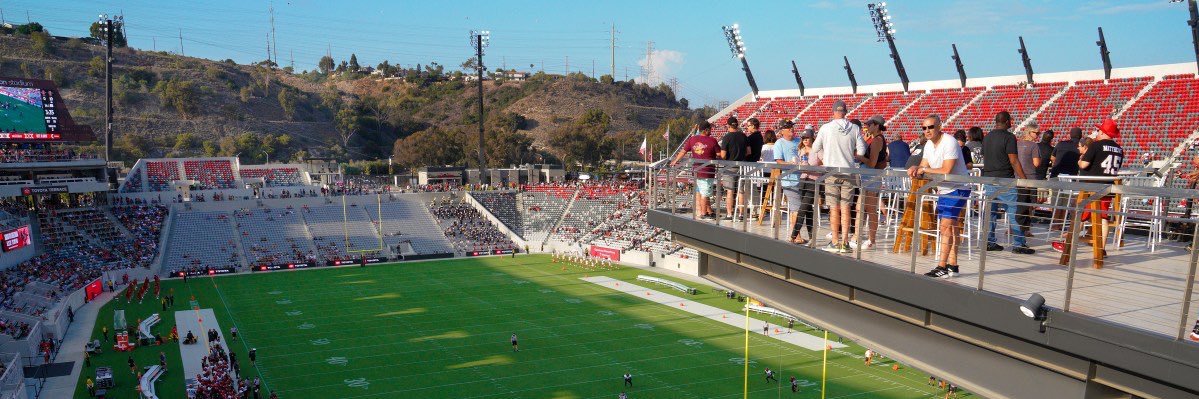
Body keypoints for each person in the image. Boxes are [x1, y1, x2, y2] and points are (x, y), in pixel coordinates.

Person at [909, 115, 971, 278]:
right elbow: (924, 164)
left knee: (945, 227)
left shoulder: (949, 141)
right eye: (924, 128)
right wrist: (916, 167)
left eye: (931, 127)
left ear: (939, 126)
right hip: (945, 189)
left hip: (958, 188)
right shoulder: (929, 144)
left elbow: (946, 170)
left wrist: (924, 170)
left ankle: (942, 266)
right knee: (951, 226)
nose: (927, 131)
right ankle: (953, 264)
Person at [1053, 120, 1124, 252]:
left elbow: (1084, 165)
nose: (1097, 132)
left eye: (1099, 130)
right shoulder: (1119, 149)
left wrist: (1080, 161)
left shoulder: (1096, 146)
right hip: (1108, 186)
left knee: (1080, 215)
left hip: (1091, 187)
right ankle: (1101, 249)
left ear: (1103, 132)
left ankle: (1068, 245)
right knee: (1103, 217)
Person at [811, 100, 868, 253]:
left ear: (833, 112)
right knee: (846, 207)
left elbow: (815, 147)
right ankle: (845, 242)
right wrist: (849, 153)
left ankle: (835, 241)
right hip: (848, 172)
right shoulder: (855, 128)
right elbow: (862, 151)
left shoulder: (826, 128)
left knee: (833, 208)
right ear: (846, 112)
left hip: (831, 172)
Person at [982, 111, 1035, 255]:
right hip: (1005, 180)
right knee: (1013, 212)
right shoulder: (1009, 137)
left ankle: (989, 242)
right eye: (1010, 120)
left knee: (990, 213)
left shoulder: (987, 138)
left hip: (988, 180)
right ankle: (1019, 244)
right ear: (1006, 122)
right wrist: (1023, 179)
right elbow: (1013, 160)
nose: (1012, 122)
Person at [671, 121, 720, 219]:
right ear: (706, 130)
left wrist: (675, 160)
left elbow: (683, 151)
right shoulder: (712, 140)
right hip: (707, 171)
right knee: (705, 193)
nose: (711, 130)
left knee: (702, 191)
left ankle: (709, 212)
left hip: (696, 170)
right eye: (710, 129)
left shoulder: (692, 139)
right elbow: (719, 154)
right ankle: (703, 213)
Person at [854, 116, 889, 249]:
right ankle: (861, 238)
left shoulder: (877, 140)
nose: (867, 126)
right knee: (862, 208)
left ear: (876, 125)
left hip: (872, 178)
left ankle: (871, 241)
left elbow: (872, 163)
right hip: (871, 178)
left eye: (869, 124)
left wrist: (859, 157)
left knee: (870, 209)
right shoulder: (878, 140)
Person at [718, 115, 749, 220]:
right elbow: (749, 152)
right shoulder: (743, 136)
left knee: (730, 191)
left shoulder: (726, 137)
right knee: (741, 191)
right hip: (742, 165)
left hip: (729, 166)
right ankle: (741, 214)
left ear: (728, 126)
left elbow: (723, 155)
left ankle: (730, 214)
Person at [1015, 125, 1040, 238]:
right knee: (1029, 205)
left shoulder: (1017, 144)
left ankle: (1013, 228)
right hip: (1030, 178)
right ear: (1030, 133)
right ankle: (1026, 229)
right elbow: (1036, 163)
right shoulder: (1034, 146)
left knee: (1017, 204)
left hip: (1017, 177)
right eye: (1036, 133)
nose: (1038, 135)